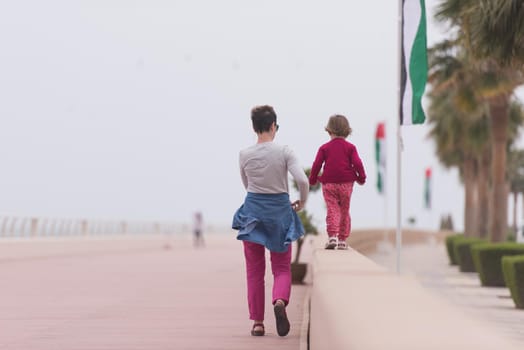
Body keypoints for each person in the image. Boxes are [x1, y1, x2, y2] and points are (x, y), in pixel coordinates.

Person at [232, 105, 309, 337]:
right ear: (273, 126)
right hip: (280, 214)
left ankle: (257, 322)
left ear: (254, 128)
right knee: (282, 267)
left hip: (253, 212)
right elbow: (303, 181)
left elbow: (247, 185)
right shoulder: (285, 151)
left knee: (254, 271)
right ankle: (279, 301)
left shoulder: (244, 154)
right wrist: (302, 202)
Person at [309, 114, 366, 250]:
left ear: (329, 131)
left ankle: (333, 236)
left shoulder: (324, 148)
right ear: (347, 131)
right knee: (344, 210)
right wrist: (361, 178)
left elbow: (317, 164)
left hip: (329, 183)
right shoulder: (350, 148)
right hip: (347, 184)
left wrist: (312, 179)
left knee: (332, 209)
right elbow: (358, 163)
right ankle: (342, 240)